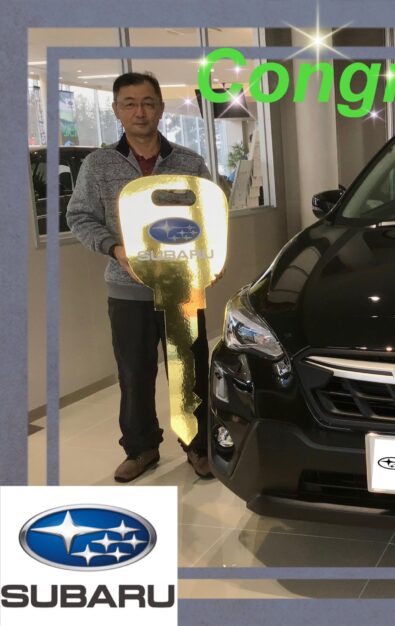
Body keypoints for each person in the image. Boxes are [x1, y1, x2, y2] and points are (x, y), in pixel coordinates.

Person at [67, 72, 217, 483]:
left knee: (189, 373)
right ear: (117, 110)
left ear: (161, 108)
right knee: (134, 374)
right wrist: (115, 248)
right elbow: (79, 216)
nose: (140, 111)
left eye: (148, 102)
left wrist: (209, 261)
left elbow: (209, 218)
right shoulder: (99, 165)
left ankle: (198, 445)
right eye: (130, 103)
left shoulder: (189, 162)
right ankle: (141, 448)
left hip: (182, 287)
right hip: (126, 288)